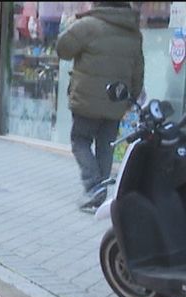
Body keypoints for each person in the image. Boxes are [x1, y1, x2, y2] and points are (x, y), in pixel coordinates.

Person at [57, 1, 144, 212]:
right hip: (116, 98)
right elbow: (138, 70)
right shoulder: (133, 31)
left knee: (80, 140)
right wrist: (130, 96)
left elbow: (63, 49)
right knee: (106, 145)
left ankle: (94, 186)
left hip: (87, 99)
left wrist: (71, 24)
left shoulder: (88, 25)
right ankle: (101, 194)